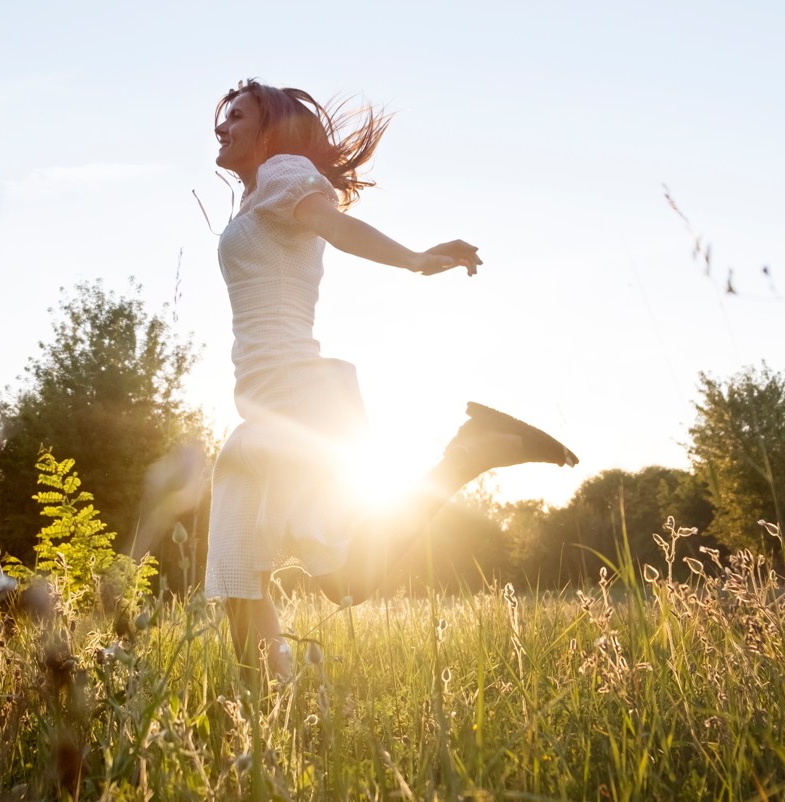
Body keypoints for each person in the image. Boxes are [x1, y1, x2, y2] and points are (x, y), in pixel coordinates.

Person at [205, 79, 577, 681]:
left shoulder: (283, 175)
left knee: (346, 579)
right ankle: (273, 707)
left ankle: (469, 455)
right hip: (261, 410)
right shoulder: (255, 199)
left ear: (270, 130)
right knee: (234, 575)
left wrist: (414, 259)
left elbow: (337, 226)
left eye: (237, 117)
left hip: (296, 403)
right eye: (221, 118)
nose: (222, 127)